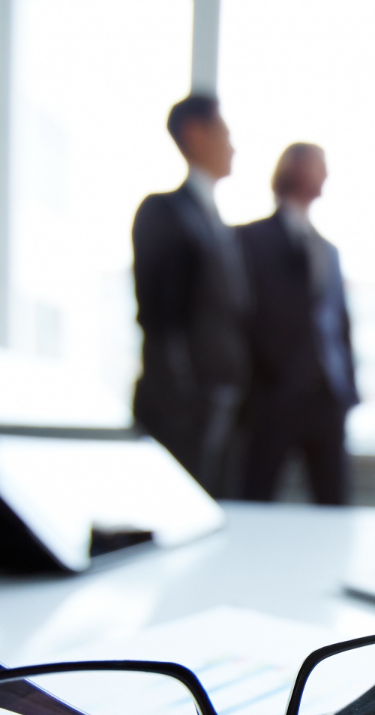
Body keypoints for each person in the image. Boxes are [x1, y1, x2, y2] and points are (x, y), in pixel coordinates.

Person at [130, 94, 250, 496]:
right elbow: (158, 314)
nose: (232, 147)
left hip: (222, 400)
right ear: (195, 133)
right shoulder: (163, 212)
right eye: (224, 134)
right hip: (182, 404)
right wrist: (183, 395)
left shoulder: (216, 221)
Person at [235, 143, 359, 505]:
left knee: (334, 501)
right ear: (295, 170)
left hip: (326, 396)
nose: (326, 176)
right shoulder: (249, 239)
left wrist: (348, 386)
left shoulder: (328, 250)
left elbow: (340, 323)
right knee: (257, 496)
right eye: (319, 166)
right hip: (273, 395)